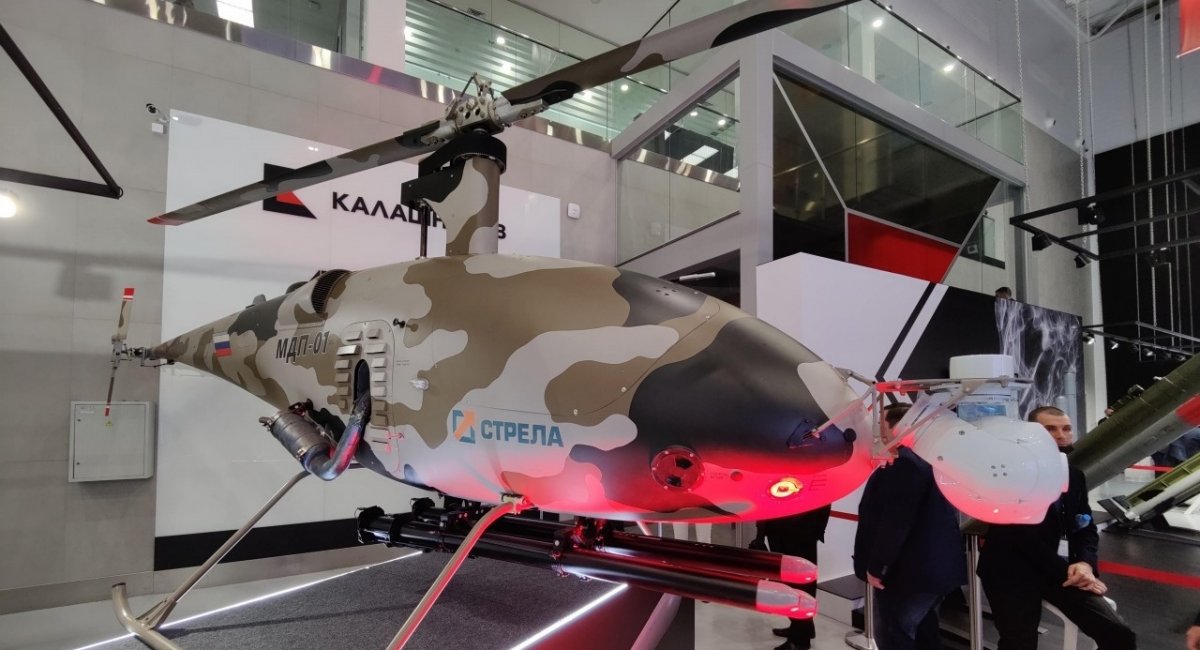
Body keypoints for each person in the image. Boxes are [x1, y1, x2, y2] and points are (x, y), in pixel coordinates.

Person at [977, 406, 1137, 650]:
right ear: (1031, 433)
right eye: (1050, 429)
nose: (1061, 435)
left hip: (1063, 572)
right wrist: (1068, 573)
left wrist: (1085, 564)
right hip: (1012, 571)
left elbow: (1084, 525)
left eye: (1066, 428)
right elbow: (1021, 537)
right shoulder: (1008, 474)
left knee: (1119, 633)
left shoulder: (1075, 476)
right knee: (1019, 643)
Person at [854, 402, 967, 650]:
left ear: (899, 427)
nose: (879, 432)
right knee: (925, 634)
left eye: (882, 425)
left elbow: (895, 522)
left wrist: (878, 567)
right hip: (930, 571)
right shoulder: (931, 460)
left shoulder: (908, 465)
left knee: (894, 636)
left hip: (908, 573)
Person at [752, 505, 832, 650]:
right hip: (777, 524)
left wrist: (815, 530)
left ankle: (800, 638)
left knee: (802, 583)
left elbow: (824, 499)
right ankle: (802, 627)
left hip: (801, 530)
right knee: (787, 582)